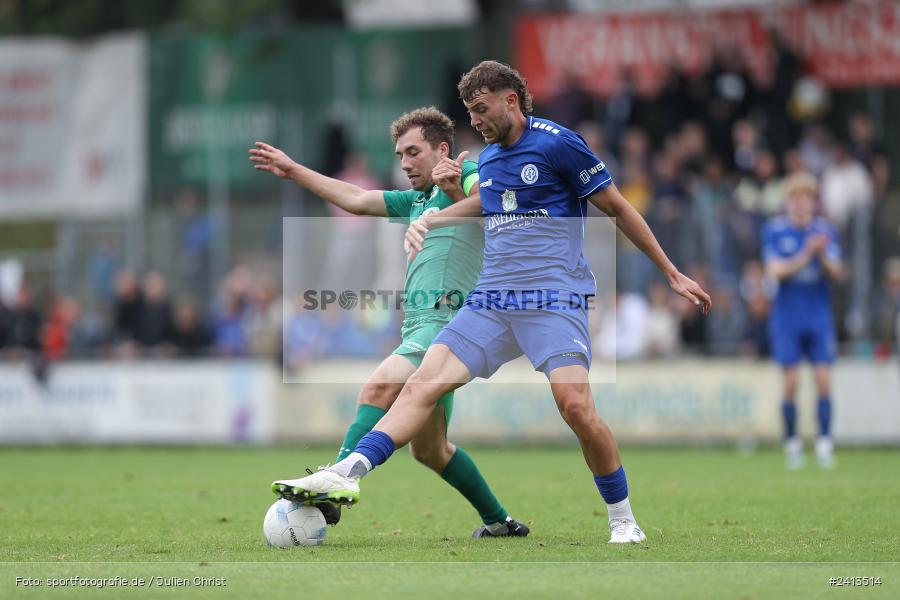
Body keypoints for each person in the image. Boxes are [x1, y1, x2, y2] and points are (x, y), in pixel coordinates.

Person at [278, 61, 710, 544]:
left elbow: (617, 207)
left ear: (511, 100)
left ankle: (622, 518)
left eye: (481, 109)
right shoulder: (489, 160)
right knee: (421, 385)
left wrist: (670, 271)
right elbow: (483, 205)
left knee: (575, 407)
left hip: (552, 297)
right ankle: (347, 472)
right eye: (469, 111)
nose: (476, 120)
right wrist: (434, 216)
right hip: (492, 299)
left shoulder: (556, 143)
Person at [250, 106, 528, 538]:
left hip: (447, 324)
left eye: (413, 152)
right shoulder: (415, 201)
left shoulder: (464, 173)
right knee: (431, 451)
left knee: (378, 386)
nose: (405, 163)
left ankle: (335, 479)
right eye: (399, 155)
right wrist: (295, 171)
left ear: (442, 149)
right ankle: (500, 522)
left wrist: (446, 203)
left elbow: (488, 202)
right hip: (419, 327)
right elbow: (357, 200)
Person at [762, 172, 842, 469]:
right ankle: (793, 443)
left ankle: (824, 443)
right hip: (787, 318)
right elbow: (775, 271)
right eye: (795, 197)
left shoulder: (825, 231)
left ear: (813, 202)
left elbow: (837, 273)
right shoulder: (775, 230)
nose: (801, 203)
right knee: (791, 382)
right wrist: (807, 253)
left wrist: (822, 256)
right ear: (788, 201)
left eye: (806, 198)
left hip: (818, 317)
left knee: (823, 380)